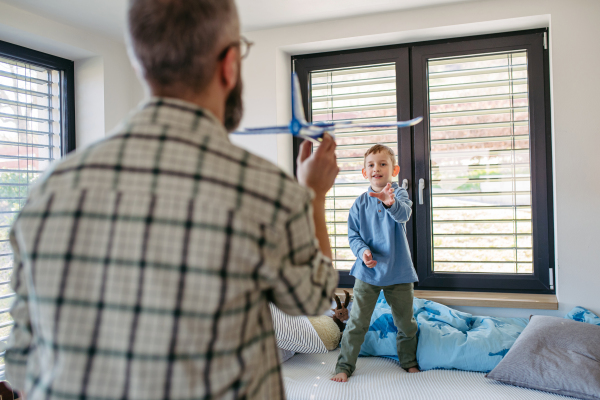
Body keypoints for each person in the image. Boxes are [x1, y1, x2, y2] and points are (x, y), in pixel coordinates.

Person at [4, 1, 339, 399]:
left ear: (139, 64)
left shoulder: (48, 189)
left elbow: (21, 362)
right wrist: (313, 196)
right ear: (230, 64)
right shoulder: (267, 191)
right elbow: (316, 298)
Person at [331, 144, 419, 383]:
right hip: (367, 273)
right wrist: (363, 252)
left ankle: (408, 361)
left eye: (382, 164)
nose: (376, 168)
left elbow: (403, 215)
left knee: (405, 323)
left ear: (394, 169)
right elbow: (353, 235)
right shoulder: (359, 204)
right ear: (364, 172)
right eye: (371, 165)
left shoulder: (399, 195)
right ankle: (344, 366)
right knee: (356, 322)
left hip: (399, 273)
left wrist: (389, 202)